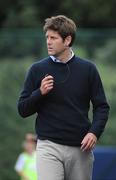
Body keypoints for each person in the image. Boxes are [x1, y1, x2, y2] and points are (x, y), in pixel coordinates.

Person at [18, 15, 110, 180]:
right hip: (48, 147)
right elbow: (23, 109)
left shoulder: (88, 69)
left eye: (53, 38)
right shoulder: (37, 69)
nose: (48, 41)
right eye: (47, 37)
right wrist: (40, 92)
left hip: (81, 149)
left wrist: (94, 133)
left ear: (67, 40)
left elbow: (102, 107)